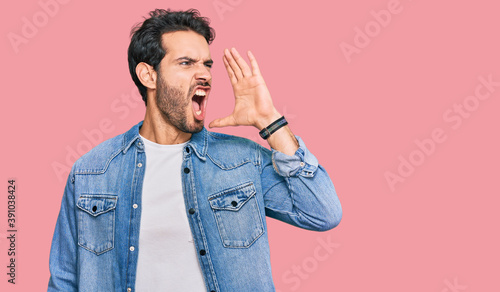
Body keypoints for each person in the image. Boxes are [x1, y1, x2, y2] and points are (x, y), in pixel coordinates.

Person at [48, 8, 342, 292]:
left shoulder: (242, 161)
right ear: (148, 76)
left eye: (207, 64)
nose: (205, 75)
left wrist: (270, 122)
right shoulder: (92, 172)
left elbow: (322, 212)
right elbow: (64, 280)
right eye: (187, 63)